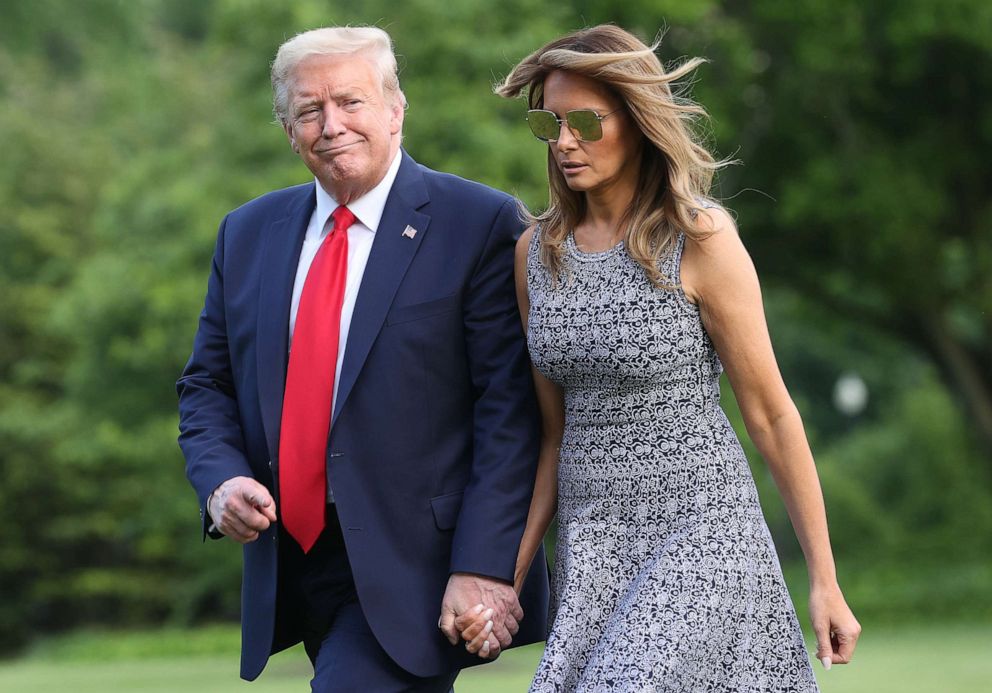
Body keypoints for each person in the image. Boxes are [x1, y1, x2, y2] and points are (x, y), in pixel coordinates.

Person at [457, 24, 861, 690]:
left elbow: (771, 415)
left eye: (585, 121)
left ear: (638, 120)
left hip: (702, 529)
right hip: (594, 546)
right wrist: (511, 577)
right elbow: (554, 437)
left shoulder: (699, 237)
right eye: (548, 123)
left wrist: (824, 579)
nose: (564, 143)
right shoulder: (537, 254)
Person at [176, 26, 548, 691]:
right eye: (309, 110)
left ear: (395, 109)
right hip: (291, 561)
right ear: (289, 130)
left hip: (418, 569)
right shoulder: (247, 233)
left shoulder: (480, 223)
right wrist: (221, 483)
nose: (331, 124)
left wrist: (487, 565)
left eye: (350, 102)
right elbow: (206, 387)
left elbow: (511, 414)